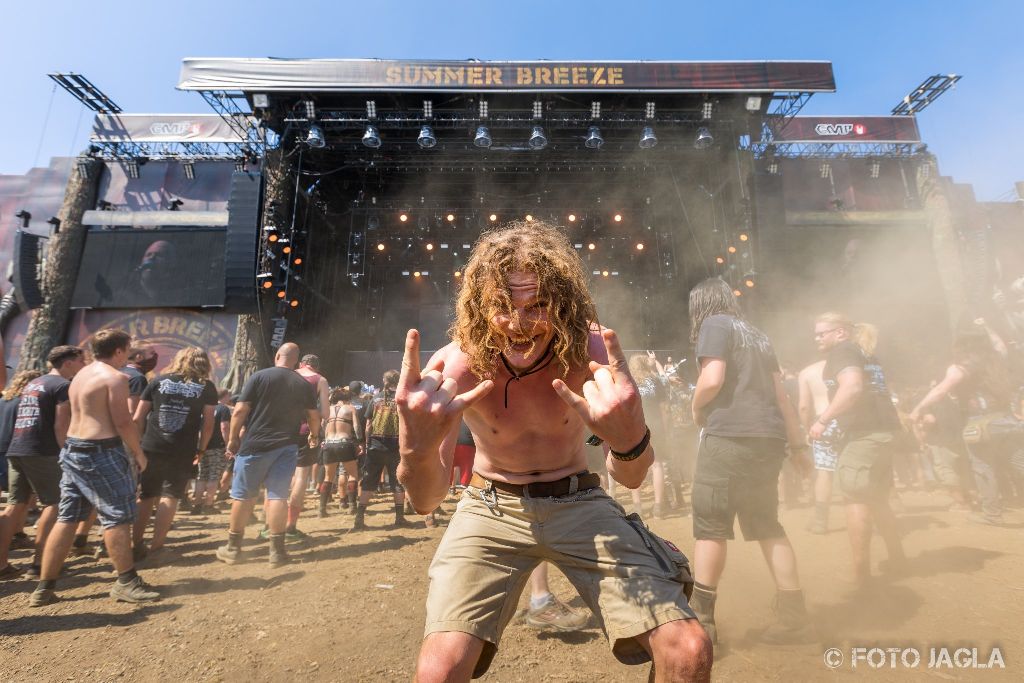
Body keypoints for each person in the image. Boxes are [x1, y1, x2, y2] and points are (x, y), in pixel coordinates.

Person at [396, 221, 711, 681]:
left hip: (580, 500)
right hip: (490, 508)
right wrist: (414, 449)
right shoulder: (457, 364)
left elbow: (633, 477)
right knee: (438, 673)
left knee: (688, 649)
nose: (518, 325)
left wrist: (630, 441)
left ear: (563, 304)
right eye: (502, 306)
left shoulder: (593, 353)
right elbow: (425, 501)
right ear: (480, 306)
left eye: (536, 305)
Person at [686, 277, 813, 645]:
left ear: (701, 304)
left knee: (711, 525)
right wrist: (799, 447)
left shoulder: (714, 325)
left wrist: (696, 409)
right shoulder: (759, 335)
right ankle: (794, 616)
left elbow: (712, 379)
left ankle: (702, 621)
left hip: (728, 437)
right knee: (767, 524)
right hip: (768, 440)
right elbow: (782, 397)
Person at [29, 328, 158, 606]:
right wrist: (138, 453)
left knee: (67, 518)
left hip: (75, 449)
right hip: (101, 451)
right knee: (117, 517)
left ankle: (44, 587)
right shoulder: (114, 378)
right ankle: (126, 582)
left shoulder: (81, 375)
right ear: (120, 350)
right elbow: (124, 422)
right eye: (128, 349)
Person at [809, 313, 905, 588]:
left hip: (865, 436)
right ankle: (897, 558)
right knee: (877, 498)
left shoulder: (844, 351)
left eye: (822, 333)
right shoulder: (864, 353)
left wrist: (822, 420)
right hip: (884, 432)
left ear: (840, 333)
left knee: (854, 498)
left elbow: (852, 388)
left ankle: (861, 575)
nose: (817, 338)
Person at [216, 343, 319, 568]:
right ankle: (277, 552)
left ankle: (233, 548)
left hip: (255, 445)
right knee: (278, 496)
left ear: (277, 356)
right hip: (287, 447)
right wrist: (314, 435)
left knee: (244, 496)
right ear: (295, 361)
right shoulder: (302, 384)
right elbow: (313, 415)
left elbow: (241, 410)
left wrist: (233, 438)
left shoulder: (259, 377)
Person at [909, 321, 1014, 524]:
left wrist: (918, 408)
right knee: (1019, 462)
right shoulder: (996, 358)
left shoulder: (961, 367)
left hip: (981, 423)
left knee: (983, 467)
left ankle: (992, 514)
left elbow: (940, 390)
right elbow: (1000, 345)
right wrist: (987, 327)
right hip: (1007, 418)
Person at [0, 346, 85, 578]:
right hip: (42, 450)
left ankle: (1, 565)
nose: (83, 365)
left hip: (17, 448)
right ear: (68, 363)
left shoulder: (33, 383)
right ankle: (40, 564)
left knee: (14, 505)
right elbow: (61, 424)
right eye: (80, 361)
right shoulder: (62, 386)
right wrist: (67, 453)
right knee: (55, 504)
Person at [132, 347, 217, 557]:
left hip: (151, 446)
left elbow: (138, 417)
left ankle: (136, 544)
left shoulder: (158, 381)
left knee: (146, 494)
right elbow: (208, 423)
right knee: (170, 496)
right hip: (183, 448)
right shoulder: (206, 387)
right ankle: (157, 546)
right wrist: (202, 448)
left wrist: (137, 445)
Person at [355, 369, 416, 530]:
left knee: (369, 482)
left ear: (384, 381)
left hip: (375, 446)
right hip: (396, 447)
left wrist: (368, 444)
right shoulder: (402, 400)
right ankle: (399, 518)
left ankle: (359, 518)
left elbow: (368, 425)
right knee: (397, 482)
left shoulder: (374, 399)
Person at [0, 369, 43, 579]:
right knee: (18, 501)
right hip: (15, 451)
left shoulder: (5, 399)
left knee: (19, 500)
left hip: (5, 450)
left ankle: (17, 534)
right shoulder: (25, 403)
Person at [283, 354, 329, 538]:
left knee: (280, 475)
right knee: (301, 477)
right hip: (306, 432)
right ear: (316, 367)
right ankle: (290, 525)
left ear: (302, 364)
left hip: (282, 431)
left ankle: (270, 522)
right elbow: (325, 412)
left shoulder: (287, 374)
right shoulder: (320, 380)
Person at [798, 359, 842, 533]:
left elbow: (803, 407)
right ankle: (875, 516)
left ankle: (820, 521)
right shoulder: (846, 364)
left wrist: (808, 428)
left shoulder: (807, 372)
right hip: (849, 419)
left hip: (823, 422)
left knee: (824, 471)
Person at [627, 354, 668, 518]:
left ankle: (638, 506)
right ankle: (658, 506)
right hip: (655, 426)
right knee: (657, 464)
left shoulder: (628, 382)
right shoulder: (656, 380)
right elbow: (664, 407)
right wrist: (665, 427)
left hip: (633, 427)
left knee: (634, 464)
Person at [319, 386, 361, 517]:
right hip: (344, 443)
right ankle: (352, 507)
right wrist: (359, 441)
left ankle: (322, 509)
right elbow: (357, 427)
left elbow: (322, 426)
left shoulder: (328, 410)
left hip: (329, 443)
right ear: (347, 398)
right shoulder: (350, 409)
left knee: (328, 477)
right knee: (353, 475)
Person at [191, 388, 233, 515]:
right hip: (217, 446)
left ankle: (197, 505)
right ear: (224, 396)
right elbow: (224, 427)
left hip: (202, 446)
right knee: (214, 475)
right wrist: (228, 445)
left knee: (202, 475)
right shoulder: (223, 409)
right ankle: (208, 505)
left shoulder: (203, 408)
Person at [122, 345, 158, 415]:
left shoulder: (118, 371)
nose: (155, 356)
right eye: (152, 353)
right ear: (139, 357)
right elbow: (133, 411)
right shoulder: (138, 378)